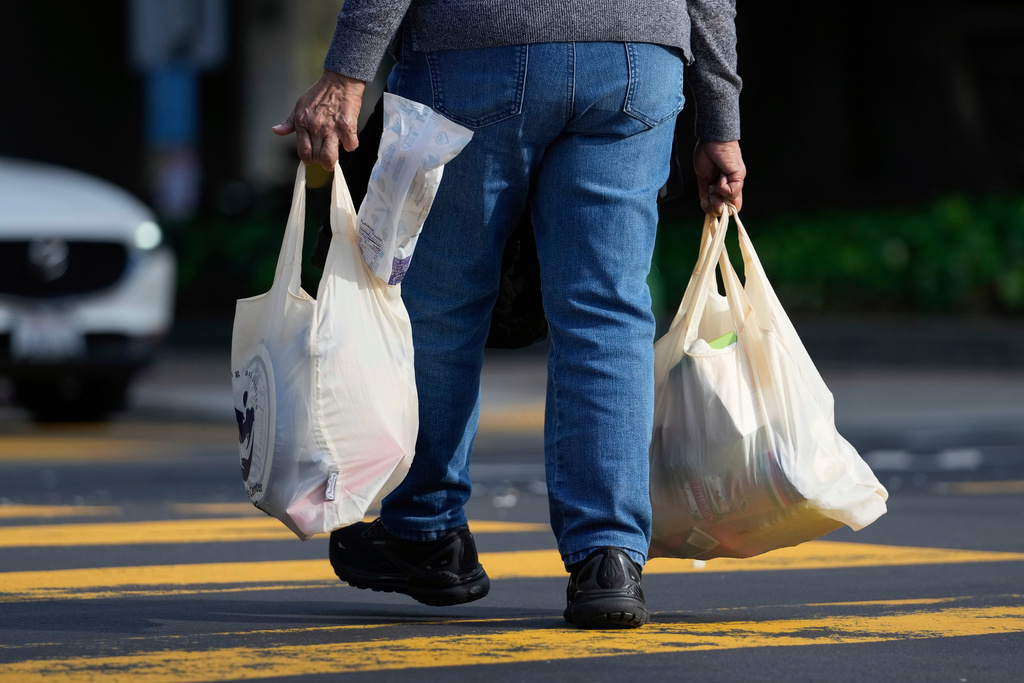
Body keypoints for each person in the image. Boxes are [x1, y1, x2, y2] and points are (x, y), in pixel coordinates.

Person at [274, 0, 745, 629]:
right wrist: (721, 120)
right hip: (635, 60)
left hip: (475, 50)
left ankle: (427, 531)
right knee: (606, 312)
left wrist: (346, 75)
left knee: (441, 306)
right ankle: (609, 557)